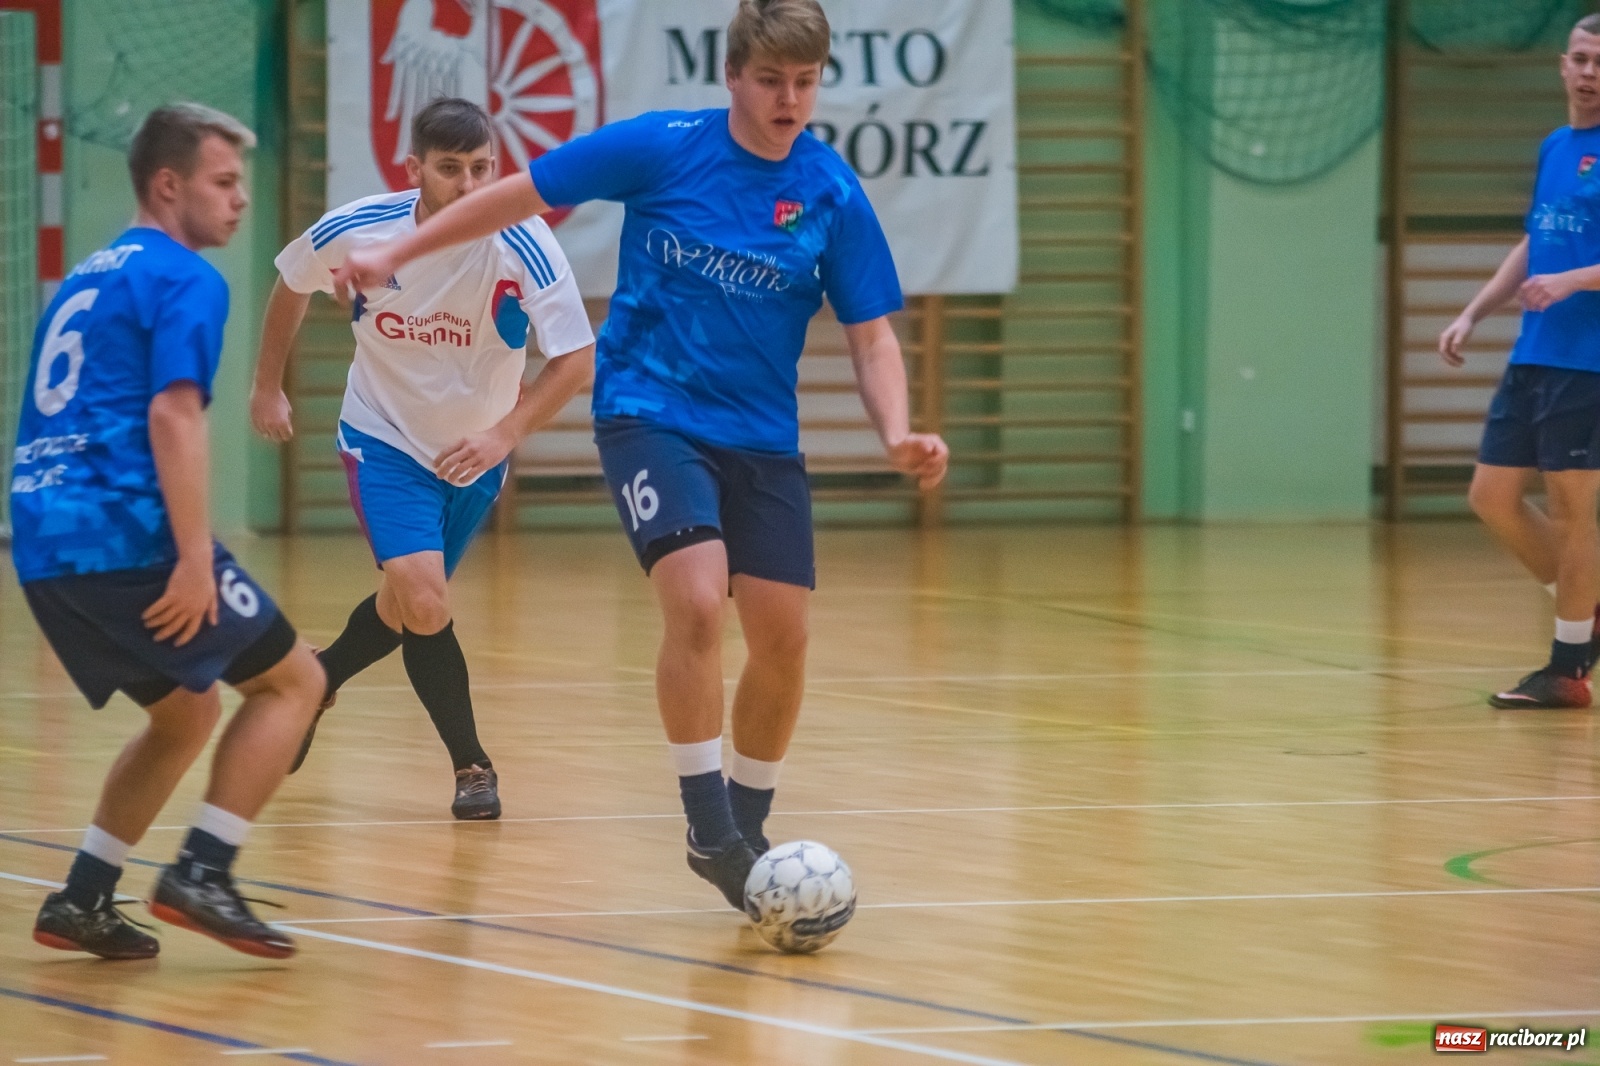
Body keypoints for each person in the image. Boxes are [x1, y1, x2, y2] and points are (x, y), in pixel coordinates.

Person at [331, 0, 948, 907]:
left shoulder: (828, 191)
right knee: (697, 604)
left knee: (785, 635)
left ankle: (747, 825)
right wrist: (403, 244)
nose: (787, 99)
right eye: (770, 79)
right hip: (648, 414)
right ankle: (707, 824)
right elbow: (519, 192)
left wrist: (896, 431)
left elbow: (871, 336)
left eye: (805, 83)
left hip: (763, 438)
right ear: (733, 76)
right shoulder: (664, 146)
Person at [12, 104, 326, 960]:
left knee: (186, 713)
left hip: (44, 540)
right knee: (294, 682)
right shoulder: (185, 276)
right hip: (123, 530)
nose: (239, 203)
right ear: (167, 184)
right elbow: (172, 414)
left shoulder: (88, 273)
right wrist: (194, 556)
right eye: (223, 184)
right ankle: (204, 872)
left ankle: (81, 899)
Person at [251, 98, 594, 818]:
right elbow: (290, 284)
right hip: (385, 437)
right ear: (415, 169)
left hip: (475, 454)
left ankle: (315, 679)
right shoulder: (360, 229)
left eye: (482, 169)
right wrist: (267, 388)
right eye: (450, 170)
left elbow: (575, 362)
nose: (470, 186)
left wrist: (505, 436)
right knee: (427, 598)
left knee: (406, 607)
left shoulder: (524, 242)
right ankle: (473, 767)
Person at [1440, 14, 1600, 710]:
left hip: (1589, 361)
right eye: (1582, 59)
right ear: (1563, 65)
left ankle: (1568, 669)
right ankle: (1586, 608)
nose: (1590, 73)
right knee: (1492, 496)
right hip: (1534, 351)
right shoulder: (1555, 147)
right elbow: (1534, 242)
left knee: (1574, 514)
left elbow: (1563, 266)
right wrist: (1474, 310)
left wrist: (1572, 282)